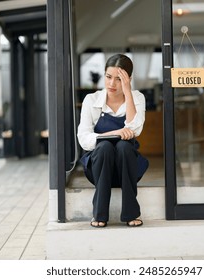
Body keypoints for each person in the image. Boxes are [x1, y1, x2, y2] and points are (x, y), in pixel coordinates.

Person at [77, 54, 148, 228]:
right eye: (108, 77)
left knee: (124, 146)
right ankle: (99, 214)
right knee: (104, 148)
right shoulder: (91, 100)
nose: (111, 84)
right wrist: (115, 132)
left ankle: (131, 213)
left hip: (127, 169)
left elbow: (135, 129)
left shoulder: (137, 98)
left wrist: (128, 92)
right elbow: (84, 139)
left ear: (128, 79)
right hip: (100, 168)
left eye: (118, 79)